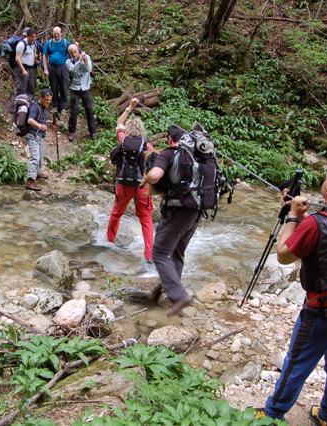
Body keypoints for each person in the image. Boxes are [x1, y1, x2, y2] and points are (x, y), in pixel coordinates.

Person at [257, 161, 327, 426]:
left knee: (297, 361)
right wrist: (298, 212)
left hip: (325, 310)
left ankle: (273, 414)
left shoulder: (318, 223)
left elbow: (284, 255)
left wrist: (294, 217)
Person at [145, 124, 201, 316]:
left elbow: (155, 176)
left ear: (169, 138)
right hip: (196, 211)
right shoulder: (196, 156)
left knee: (159, 252)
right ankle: (170, 293)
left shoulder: (169, 154)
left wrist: (148, 176)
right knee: (177, 251)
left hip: (177, 210)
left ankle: (178, 296)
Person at [107, 98, 154, 262]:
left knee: (116, 213)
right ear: (142, 131)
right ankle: (149, 255)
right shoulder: (148, 147)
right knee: (146, 219)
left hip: (123, 183)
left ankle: (109, 241)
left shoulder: (123, 139)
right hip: (141, 186)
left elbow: (119, 123)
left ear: (128, 130)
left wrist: (130, 107)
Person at [66, 43, 97, 142]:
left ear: (78, 50)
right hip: (75, 89)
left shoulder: (86, 56)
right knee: (74, 110)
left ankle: (93, 132)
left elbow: (89, 69)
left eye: (75, 52)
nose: (73, 54)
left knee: (89, 109)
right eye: (71, 53)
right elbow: (73, 70)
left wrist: (85, 60)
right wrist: (80, 60)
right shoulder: (68, 61)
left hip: (86, 88)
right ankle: (72, 132)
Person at [25, 88, 52, 192]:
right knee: (35, 158)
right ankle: (30, 181)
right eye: (46, 100)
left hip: (39, 136)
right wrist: (40, 126)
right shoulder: (34, 107)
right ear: (40, 98)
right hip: (32, 136)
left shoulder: (44, 109)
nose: (48, 102)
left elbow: (42, 121)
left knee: (41, 156)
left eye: (49, 101)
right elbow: (30, 120)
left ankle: (38, 172)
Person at [42, 27, 70, 115]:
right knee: (53, 87)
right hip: (52, 68)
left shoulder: (65, 42)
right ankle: (55, 106)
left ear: (61, 33)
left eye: (58, 34)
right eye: (55, 34)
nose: (56, 36)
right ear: (53, 34)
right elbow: (44, 56)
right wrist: (45, 69)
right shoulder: (49, 43)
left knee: (63, 87)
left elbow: (73, 52)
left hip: (63, 67)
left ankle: (63, 107)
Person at [14, 27, 38, 97]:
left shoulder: (34, 44)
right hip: (23, 68)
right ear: (27, 36)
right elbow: (17, 58)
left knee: (31, 88)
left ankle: (30, 105)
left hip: (31, 68)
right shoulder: (21, 44)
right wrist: (23, 70)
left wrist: (36, 59)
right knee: (22, 88)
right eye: (31, 37)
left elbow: (33, 54)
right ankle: (19, 105)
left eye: (34, 37)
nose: (33, 38)